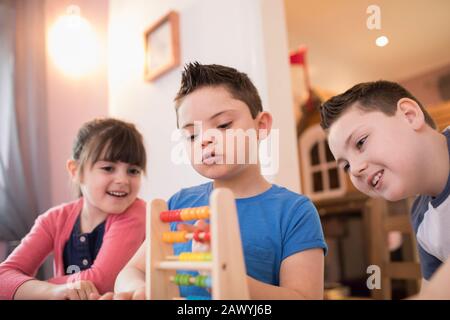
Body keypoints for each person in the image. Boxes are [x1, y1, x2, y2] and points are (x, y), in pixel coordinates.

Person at [103, 62, 327, 300]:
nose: (205, 140)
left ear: (260, 126)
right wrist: (141, 290)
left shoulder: (295, 212)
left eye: (223, 125)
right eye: (191, 135)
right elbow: (131, 271)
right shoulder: (177, 205)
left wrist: (223, 277)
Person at [320, 80, 449, 294]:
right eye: (346, 166)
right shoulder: (422, 218)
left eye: (360, 142)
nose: (355, 170)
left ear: (409, 115)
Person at [0, 118, 147, 299]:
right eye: (108, 168)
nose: (123, 180)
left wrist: (29, 288)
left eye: (133, 171)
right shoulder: (54, 219)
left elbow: (102, 281)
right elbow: (3, 277)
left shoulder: (137, 213)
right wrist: (53, 291)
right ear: (75, 170)